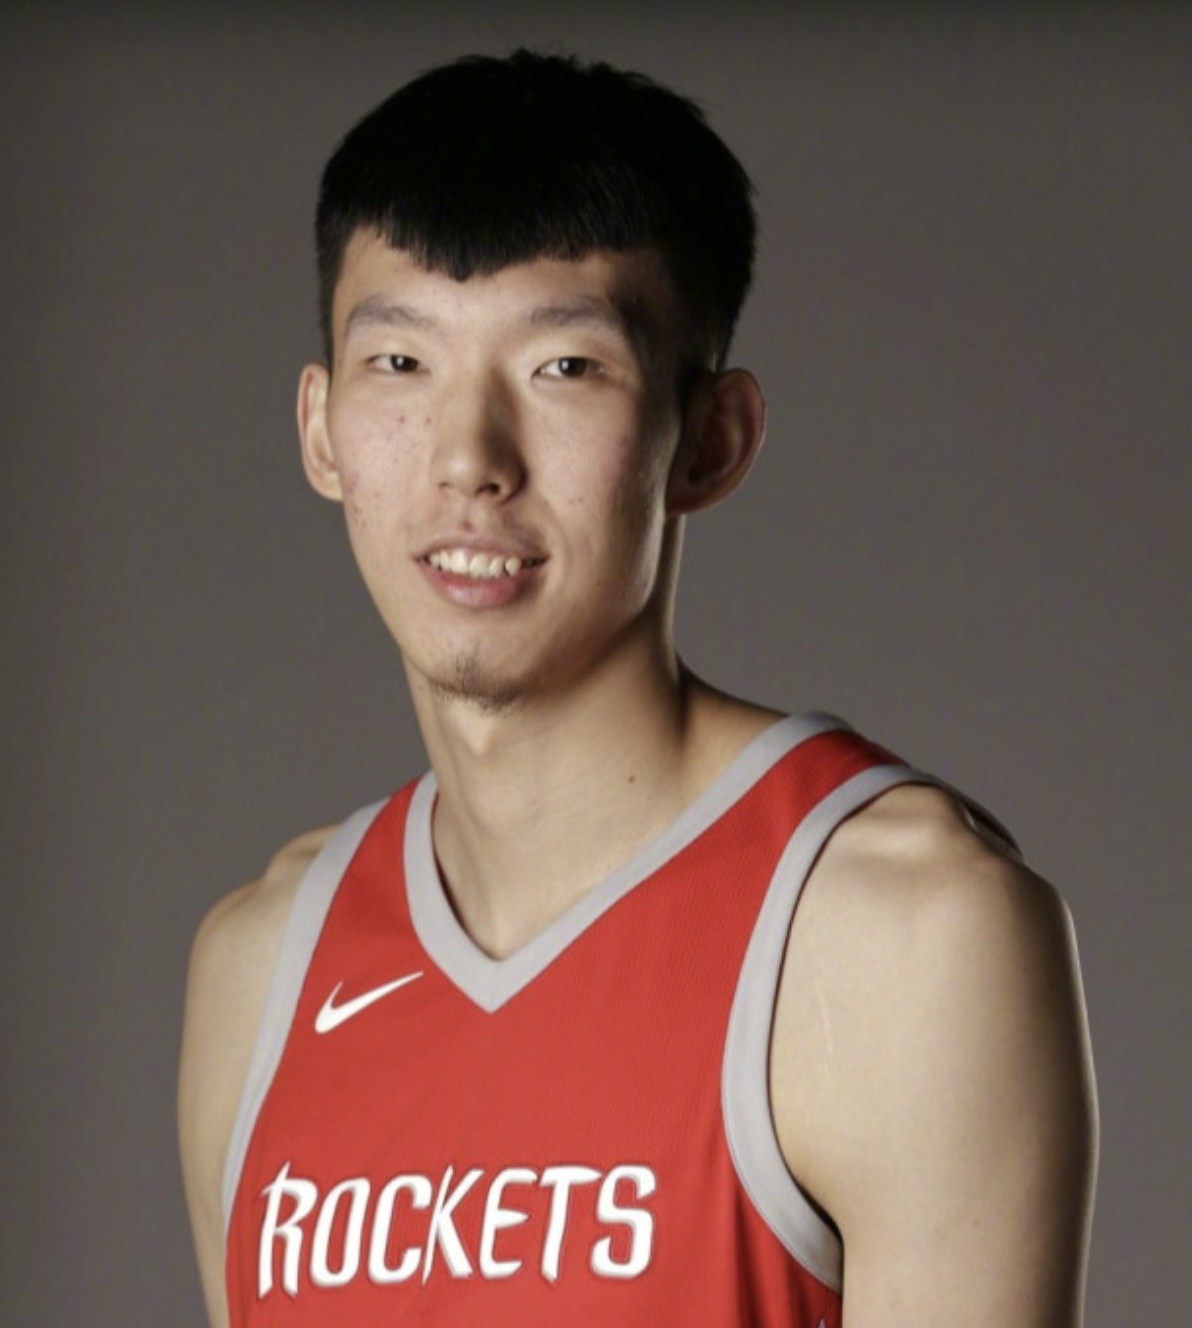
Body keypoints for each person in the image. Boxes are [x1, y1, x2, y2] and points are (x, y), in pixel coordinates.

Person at [178, 50, 1097, 1327]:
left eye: (564, 366)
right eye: (399, 363)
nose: (468, 458)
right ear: (320, 429)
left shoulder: (901, 933)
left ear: (710, 440)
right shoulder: (260, 967)